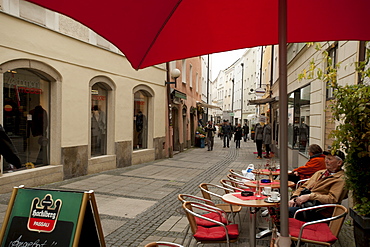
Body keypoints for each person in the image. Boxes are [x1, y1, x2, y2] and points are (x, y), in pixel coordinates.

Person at [288, 150, 348, 221]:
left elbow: (332, 199)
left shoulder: (341, 179)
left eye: (329, 159)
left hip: (318, 211)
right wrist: (294, 197)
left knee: (284, 212)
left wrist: (309, 196)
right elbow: (304, 186)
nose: (326, 161)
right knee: (277, 208)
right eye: (326, 158)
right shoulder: (320, 173)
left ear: (339, 163)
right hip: (305, 205)